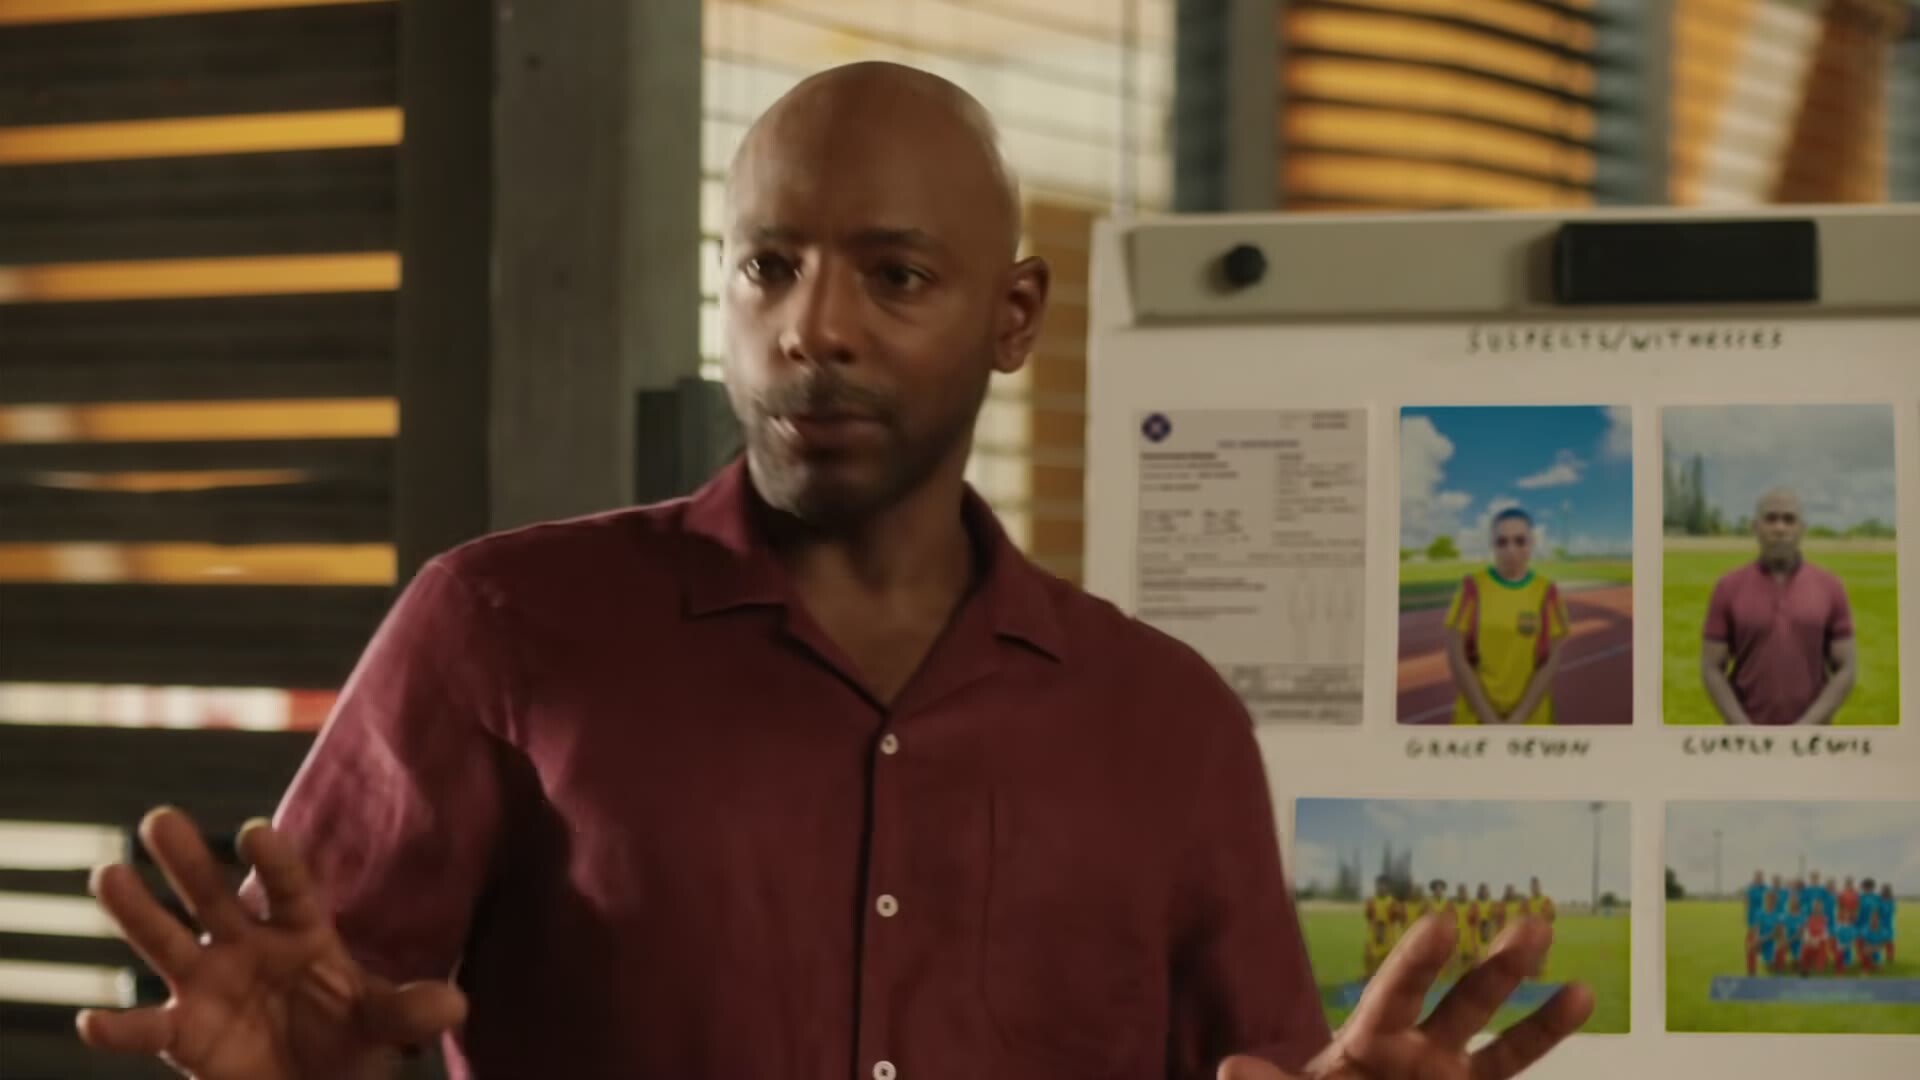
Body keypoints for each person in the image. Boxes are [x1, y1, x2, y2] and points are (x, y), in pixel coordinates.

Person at [71, 62, 1589, 1080]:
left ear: (1013, 317)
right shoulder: (499, 632)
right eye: (770, 265)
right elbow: (308, 1010)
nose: (815, 328)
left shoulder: (1165, 723)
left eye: (895, 274)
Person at [1700, 488, 1858, 726]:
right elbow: (1711, 667)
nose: (1780, 528)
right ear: (1755, 527)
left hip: (1813, 736)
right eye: (1771, 519)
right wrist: (1743, 727)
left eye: (1789, 519)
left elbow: (1846, 668)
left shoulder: (1830, 586)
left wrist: (1807, 726)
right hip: (1744, 733)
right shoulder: (1728, 587)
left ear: (1802, 529)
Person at [1442, 508, 1572, 725]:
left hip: (1532, 719)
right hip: (1475, 719)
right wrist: (1489, 719)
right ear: (1492, 545)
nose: (1511, 550)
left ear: (1532, 543)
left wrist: (1519, 717)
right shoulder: (1472, 588)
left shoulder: (1546, 592)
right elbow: (1457, 657)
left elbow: (1551, 660)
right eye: (1502, 542)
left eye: (1520, 541)